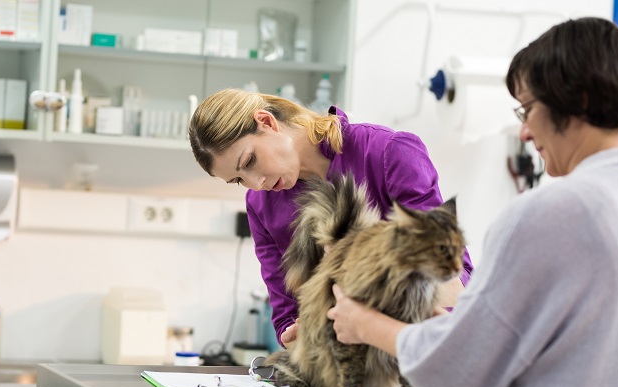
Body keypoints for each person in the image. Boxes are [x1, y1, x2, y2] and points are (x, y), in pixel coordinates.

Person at [327, 17, 618, 387]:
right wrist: (457, 331)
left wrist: (365, 324)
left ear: (575, 100)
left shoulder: (548, 211)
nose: (523, 131)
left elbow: (458, 382)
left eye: (528, 109)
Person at [189, 88, 474, 349]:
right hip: (342, 361)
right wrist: (296, 334)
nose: (256, 182)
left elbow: (445, 269)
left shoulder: (388, 153)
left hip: (425, 342)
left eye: (250, 161)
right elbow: (286, 308)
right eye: (239, 180)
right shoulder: (260, 204)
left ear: (266, 121)